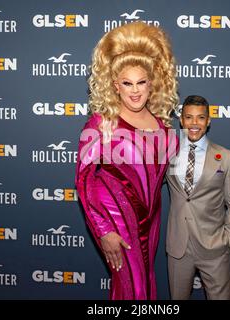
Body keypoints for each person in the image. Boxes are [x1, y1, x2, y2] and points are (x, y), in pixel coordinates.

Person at [75, 22, 179, 300]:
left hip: (152, 219)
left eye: (141, 82)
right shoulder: (102, 123)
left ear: (152, 83)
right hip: (116, 222)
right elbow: (84, 179)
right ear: (115, 86)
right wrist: (103, 230)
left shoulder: (163, 126)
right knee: (131, 287)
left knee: (146, 282)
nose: (135, 91)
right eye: (127, 83)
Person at [166, 95, 230, 300]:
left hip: (214, 247)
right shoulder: (167, 154)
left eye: (200, 118)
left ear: (208, 121)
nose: (194, 123)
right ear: (181, 120)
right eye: (189, 117)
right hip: (178, 247)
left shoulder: (227, 158)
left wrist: (228, 240)